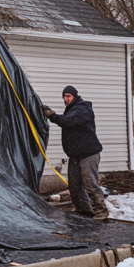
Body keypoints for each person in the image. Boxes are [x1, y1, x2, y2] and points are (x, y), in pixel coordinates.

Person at [43, 86, 108, 221]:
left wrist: (52, 116)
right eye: (65, 97)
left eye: (69, 96)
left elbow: (68, 121)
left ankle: (101, 212)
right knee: (75, 186)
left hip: (88, 155)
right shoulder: (72, 110)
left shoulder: (83, 109)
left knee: (91, 184)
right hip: (75, 155)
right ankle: (83, 211)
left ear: (75, 96)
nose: (66, 99)